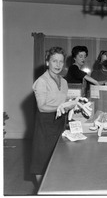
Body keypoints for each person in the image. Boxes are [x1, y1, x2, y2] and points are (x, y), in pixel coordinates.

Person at [30, 47, 69, 185]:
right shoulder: (42, 81)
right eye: (54, 61)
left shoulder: (64, 82)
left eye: (61, 61)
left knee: (58, 159)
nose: (58, 65)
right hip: (45, 124)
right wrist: (62, 107)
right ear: (48, 62)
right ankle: (42, 191)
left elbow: (64, 102)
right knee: (42, 162)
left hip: (60, 123)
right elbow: (41, 106)